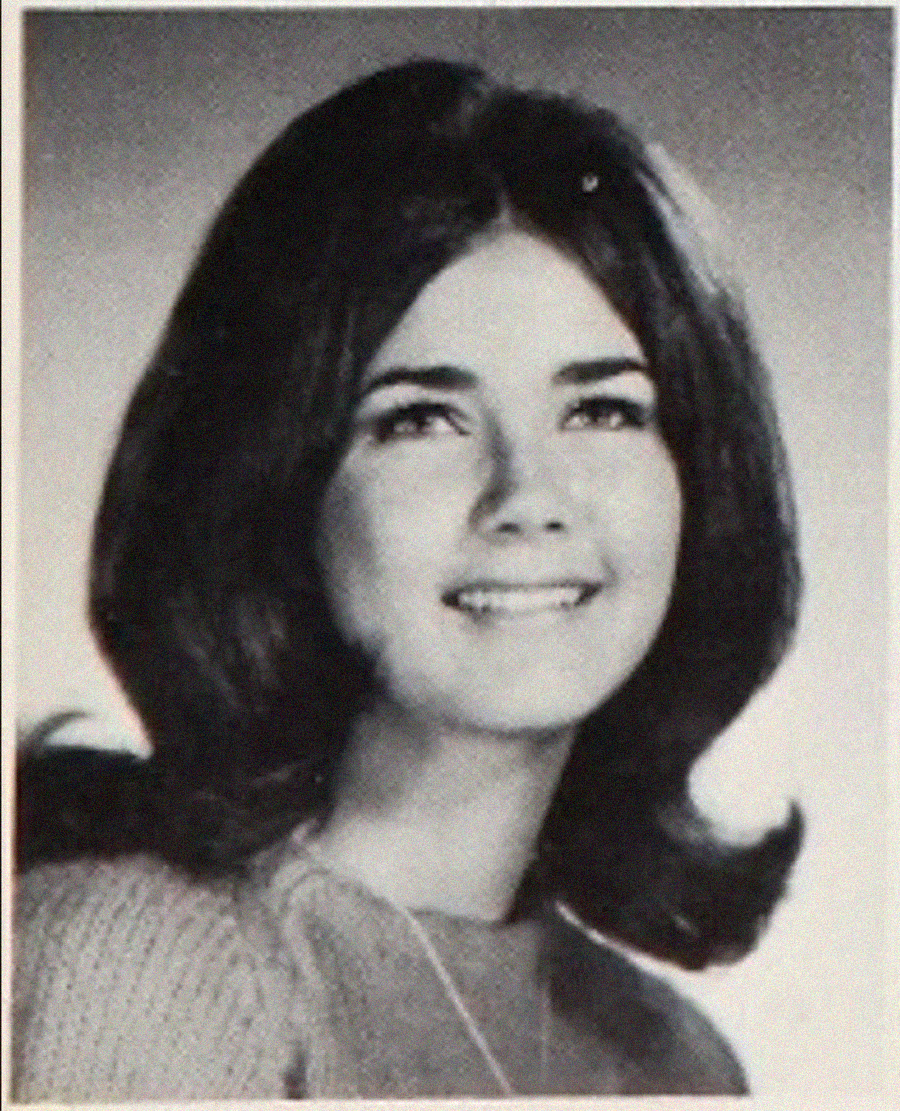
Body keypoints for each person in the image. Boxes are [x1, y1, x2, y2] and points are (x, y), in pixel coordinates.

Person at [13, 59, 803, 1099]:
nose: (530, 493)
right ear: (275, 486)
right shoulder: (132, 965)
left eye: (602, 410)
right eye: (422, 418)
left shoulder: (679, 1064)